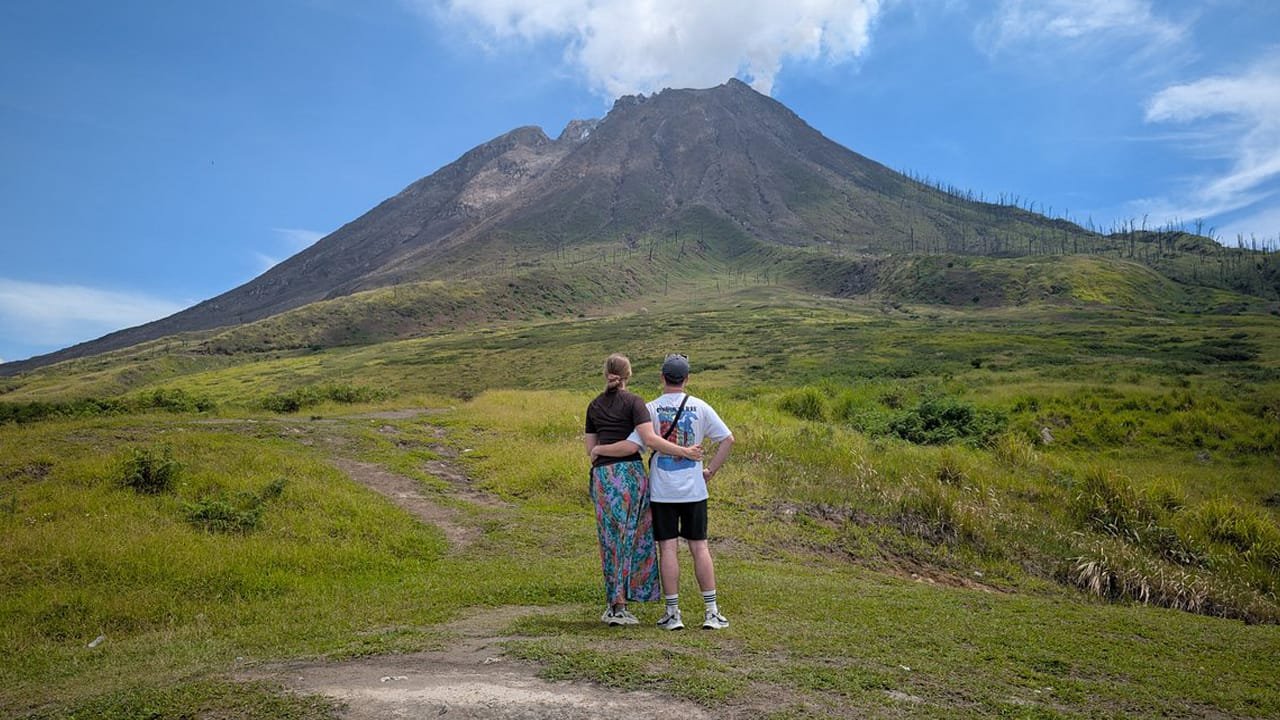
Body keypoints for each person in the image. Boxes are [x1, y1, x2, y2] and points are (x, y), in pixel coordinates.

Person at [591, 353, 734, 631]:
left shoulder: (651, 408)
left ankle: (673, 613)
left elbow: (633, 446)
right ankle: (711, 611)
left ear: (662, 378)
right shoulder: (700, 406)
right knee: (700, 547)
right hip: (694, 489)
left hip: (662, 491)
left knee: (667, 548)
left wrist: (598, 451)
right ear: (687, 379)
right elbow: (728, 439)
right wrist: (710, 472)